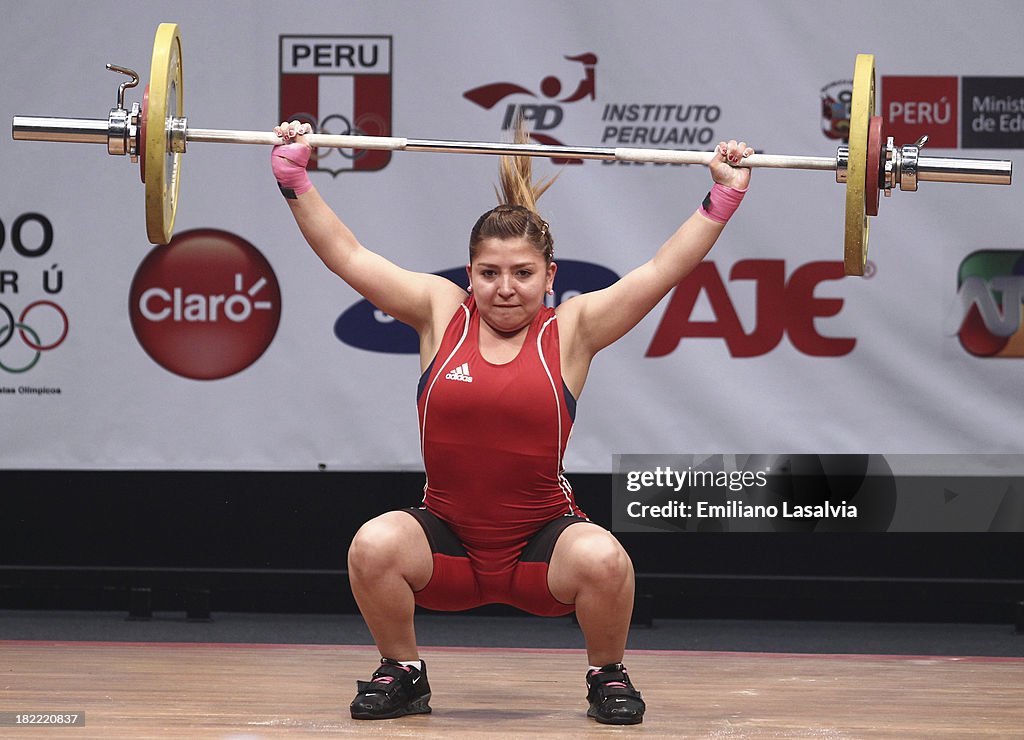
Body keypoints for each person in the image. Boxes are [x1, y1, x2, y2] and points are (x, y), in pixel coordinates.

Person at [271, 120, 753, 725]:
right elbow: (347, 254)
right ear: (468, 274)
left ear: (550, 276)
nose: (505, 289)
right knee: (372, 546)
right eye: (489, 273)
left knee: (606, 560)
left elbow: (661, 270)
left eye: (522, 273)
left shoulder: (573, 329)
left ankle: (607, 673)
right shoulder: (437, 311)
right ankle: (404, 672)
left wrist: (724, 196)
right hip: (446, 543)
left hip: (540, 551)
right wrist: (295, 179)